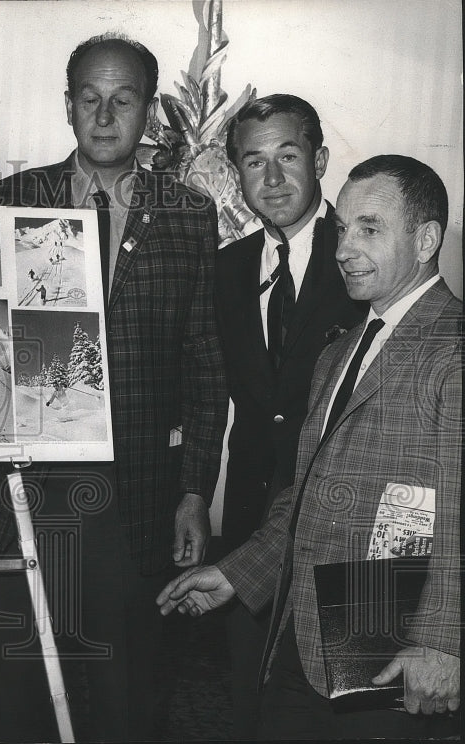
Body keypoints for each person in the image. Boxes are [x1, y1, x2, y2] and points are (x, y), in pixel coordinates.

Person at [0, 33, 226, 741]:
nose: (105, 116)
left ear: (149, 113)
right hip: (17, 485)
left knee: (126, 691)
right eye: (89, 98)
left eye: (124, 99)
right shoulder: (9, 201)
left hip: (129, 490)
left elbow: (205, 365)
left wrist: (194, 489)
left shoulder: (189, 216)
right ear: (68, 106)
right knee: (7, 685)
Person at [158, 155, 461, 740]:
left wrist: (444, 643)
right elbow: (306, 495)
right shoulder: (338, 352)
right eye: (342, 229)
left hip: (403, 640)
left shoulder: (454, 348)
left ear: (425, 239)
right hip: (306, 630)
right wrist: (238, 575)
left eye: (369, 229)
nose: (345, 248)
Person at [215, 94, 367, 737]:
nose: (272, 179)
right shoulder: (224, 269)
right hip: (252, 515)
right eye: (254, 162)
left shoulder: (365, 257)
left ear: (321, 160)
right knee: (251, 698)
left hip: (346, 517)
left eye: (288, 156)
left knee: (350, 695)